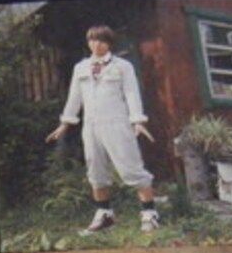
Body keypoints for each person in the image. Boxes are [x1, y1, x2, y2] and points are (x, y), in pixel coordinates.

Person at [45, 24, 160, 234]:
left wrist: (137, 121)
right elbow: (74, 98)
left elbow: (132, 93)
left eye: (101, 40)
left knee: (131, 169)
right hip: (91, 126)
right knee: (96, 171)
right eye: (92, 40)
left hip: (117, 123)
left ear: (109, 43)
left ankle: (149, 214)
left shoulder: (122, 66)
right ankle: (105, 215)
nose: (96, 44)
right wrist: (65, 123)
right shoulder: (80, 68)